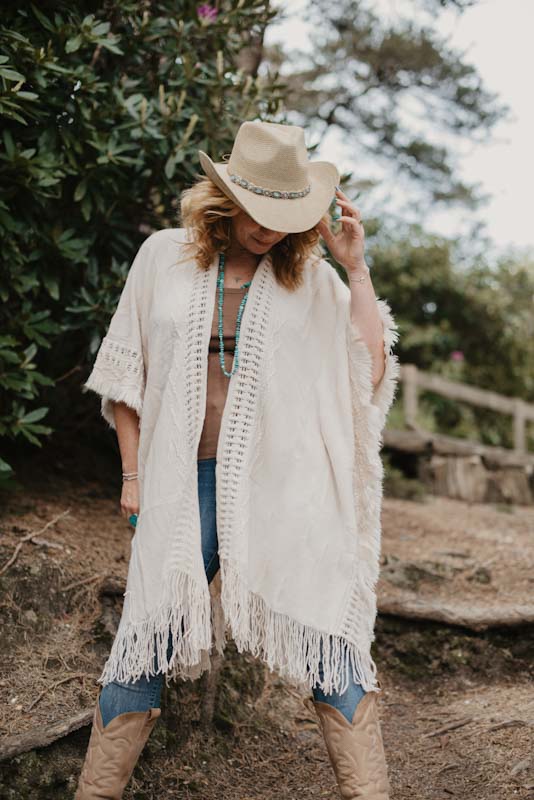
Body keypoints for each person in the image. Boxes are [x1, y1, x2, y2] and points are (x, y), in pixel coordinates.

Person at [75, 120, 399, 799]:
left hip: (284, 487)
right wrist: (132, 476)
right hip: (180, 482)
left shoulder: (309, 279)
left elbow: (364, 370)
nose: (271, 231)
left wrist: (355, 268)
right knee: (144, 640)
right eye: (260, 213)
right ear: (226, 197)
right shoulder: (162, 257)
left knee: (331, 636)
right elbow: (124, 377)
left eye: (287, 216)